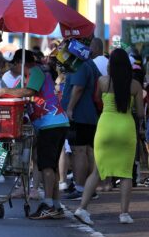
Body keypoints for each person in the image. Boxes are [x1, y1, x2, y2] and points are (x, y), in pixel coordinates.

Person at [0, 49, 69, 219]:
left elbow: (29, 92)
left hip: (52, 123)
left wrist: (4, 91)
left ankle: (48, 204)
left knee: (46, 167)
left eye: (15, 64)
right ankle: (56, 206)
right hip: (53, 123)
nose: (13, 67)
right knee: (51, 167)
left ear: (21, 63)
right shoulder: (26, 77)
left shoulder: (36, 71)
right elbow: (17, 92)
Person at [74, 48, 146, 225]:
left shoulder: (103, 81)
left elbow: (98, 98)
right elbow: (140, 113)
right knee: (126, 173)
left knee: (98, 170)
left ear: (110, 65)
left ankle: (82, 208)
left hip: (105, 126)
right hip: (125, 128)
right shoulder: (135, 85)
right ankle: (124, 214)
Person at [61, 38, 104, 201]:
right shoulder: (89, 64)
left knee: (79, 151)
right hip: (88, 115)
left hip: (79, 115)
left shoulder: (79, 65)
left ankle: (80, 188)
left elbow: (78, 88)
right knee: (86, 151)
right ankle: (88, 188)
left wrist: (70, 108)